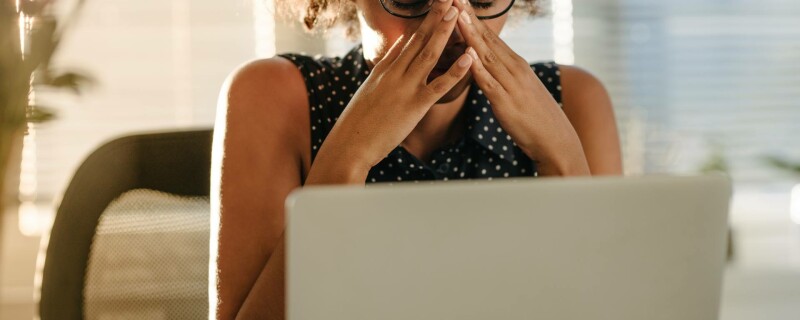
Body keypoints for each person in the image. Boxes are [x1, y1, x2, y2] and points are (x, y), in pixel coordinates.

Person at [211, 0, 623, 318]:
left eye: (480, 0)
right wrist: (348, 157)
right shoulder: (272, 96)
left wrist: (564, 159)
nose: (453, 27)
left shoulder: (574, 100)